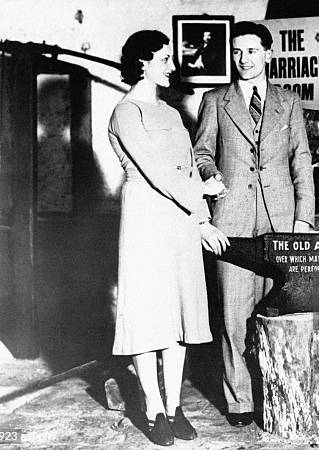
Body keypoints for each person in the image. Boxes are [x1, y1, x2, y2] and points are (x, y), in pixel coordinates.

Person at [108, 29, 229, 446]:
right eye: (163, 59)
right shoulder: (126, 113)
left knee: (179, 318)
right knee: (148, 320)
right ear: (141, 63)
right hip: (145, 219)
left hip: (179, 220)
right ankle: (153, 409)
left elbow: (187, 170)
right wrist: (200, 193)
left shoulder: (172, 114)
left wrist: (202, 220)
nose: (171, 67)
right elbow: (156, 172)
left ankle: (174, 406)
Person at [194, 21, 315, 427]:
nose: (243, 59)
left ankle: (278, 392)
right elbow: (201, 153)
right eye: (237, 52)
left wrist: (303, 218)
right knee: (233, 315)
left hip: (281, 221)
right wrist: (210, 173)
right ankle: (240, 400)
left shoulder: (289, 102)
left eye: (251, 51)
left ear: (267, 53)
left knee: (277, 310)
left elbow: (301, 162)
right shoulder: (215, 100)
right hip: (232, 220)